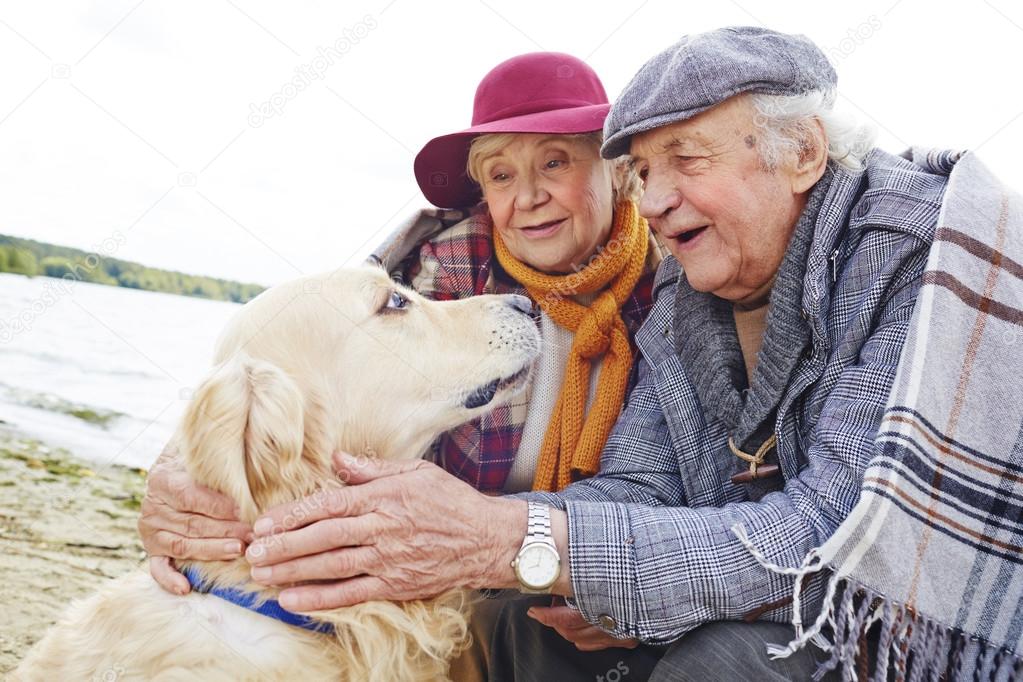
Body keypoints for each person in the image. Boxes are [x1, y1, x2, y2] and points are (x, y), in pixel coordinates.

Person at [238, 26, 1000, 680]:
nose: (657, 198)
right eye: (646, 169)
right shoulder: (679, 294)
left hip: (910, 616)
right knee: (520, 621)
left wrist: (518, 541)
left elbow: (834, 535)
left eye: (685, 159)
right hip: (747, 575)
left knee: (730, 659)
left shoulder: (921, 262)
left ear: (801, 152)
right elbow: (640, 483)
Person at [137, 51, 665, 676]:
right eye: (500, 175)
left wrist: (619, 578)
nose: (528, 196)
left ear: (615, 169)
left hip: (602, 565)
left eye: (554, 161)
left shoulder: (679, 286)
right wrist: (178, 481)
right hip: (453, 575)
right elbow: (292, 362)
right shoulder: (436, 268)